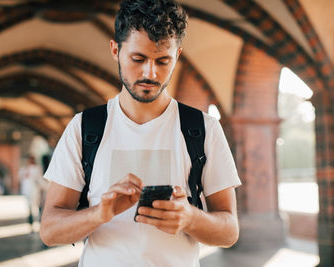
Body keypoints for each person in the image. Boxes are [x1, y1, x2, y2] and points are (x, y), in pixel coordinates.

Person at [40, 0, 241, 266]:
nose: (150, 72)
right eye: (138, 58)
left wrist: (190, 218)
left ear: (177, 55)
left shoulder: (203, 129)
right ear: (115, 50)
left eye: (163, 61)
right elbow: (50, 230)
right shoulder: (84, 128)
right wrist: (100, 213)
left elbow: (229, 231)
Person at [19, 155, 43, 231]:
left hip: (35, 191)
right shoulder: (24, 169)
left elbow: (38, 179)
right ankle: (31, 225)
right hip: (27, 191)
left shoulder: (37, 168)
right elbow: (20, 178)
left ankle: (40, 223)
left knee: (38, 207)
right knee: (29, 208)